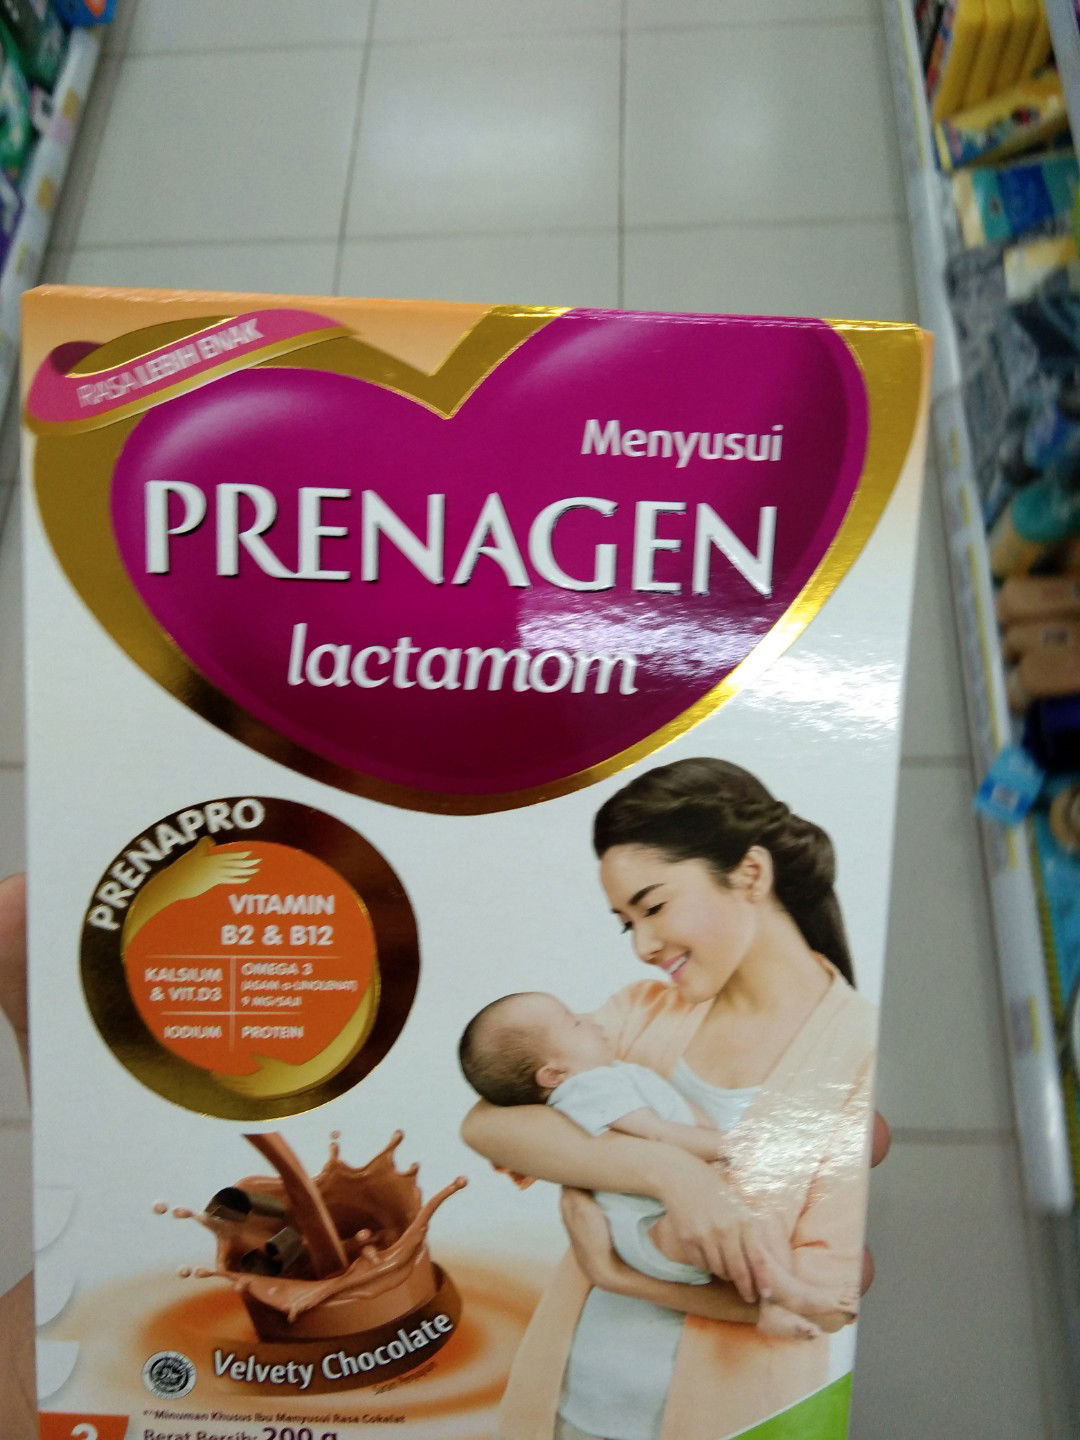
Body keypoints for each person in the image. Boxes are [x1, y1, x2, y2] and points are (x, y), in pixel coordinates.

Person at [461, 758, 888, 1440]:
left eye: (653, 907)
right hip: (563, 1404)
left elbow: (828, 1301)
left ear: (751, 874)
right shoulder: (642, 1014)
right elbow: (489, 1122)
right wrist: (673, 1175)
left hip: (730, 1419)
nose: (642, 945)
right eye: (625, 922)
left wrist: (623, 1277)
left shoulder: (862, 1051)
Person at [459, 990, 856, 1341]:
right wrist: (736, 1148)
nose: (591, 1019)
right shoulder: (589, 1087)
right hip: (647, 1224)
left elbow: (684, 1120)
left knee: (757, 1225)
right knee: (748, 1229)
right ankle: (785, 1292)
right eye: (576, 1022)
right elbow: (658, 1133)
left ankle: (772, 1306)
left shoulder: (608, 1076)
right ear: (553, 1074)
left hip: (652, 1225)